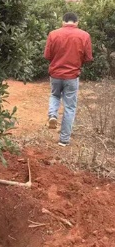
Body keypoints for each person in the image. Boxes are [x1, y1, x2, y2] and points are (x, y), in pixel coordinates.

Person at [44, 12, 93, 146]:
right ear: (77, 22)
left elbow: (47, 55)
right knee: (70, 107)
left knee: (54, 95)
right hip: (72, 76)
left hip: (55, 74)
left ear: (63, 21)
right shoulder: (84, 35)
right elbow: (88, 58)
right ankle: (64, 140)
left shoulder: (53, 34)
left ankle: (53, 115)